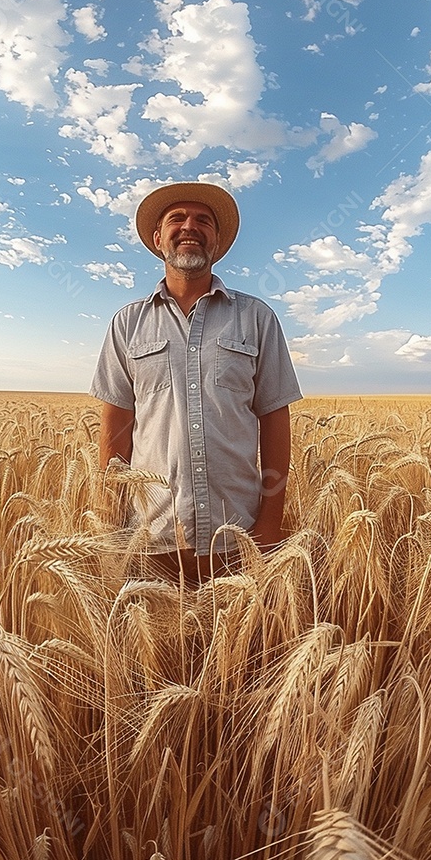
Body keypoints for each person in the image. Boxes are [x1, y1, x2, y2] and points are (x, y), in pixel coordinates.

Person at [90, 181, 303, 585]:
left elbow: (275, 419)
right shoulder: (127, 324)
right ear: (158, 239)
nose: (190, 227)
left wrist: (270, 522)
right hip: (150, 538)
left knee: (241, 648)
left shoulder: (257, 319)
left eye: (203, 221)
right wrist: (111, 525)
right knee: (158, 650)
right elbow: (115, 427)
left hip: (236, 538)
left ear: (217, 241)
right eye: (177, 219)